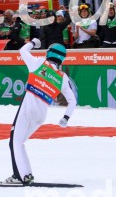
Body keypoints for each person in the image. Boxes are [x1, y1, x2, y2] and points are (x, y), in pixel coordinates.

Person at [6, 39, 77, 185]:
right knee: (19, 143)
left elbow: (22, 51)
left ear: (48, 53)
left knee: (15, 142)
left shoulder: (38, 63)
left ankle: (20, 177)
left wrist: (34, 42)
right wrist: (65, 118)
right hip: (41, 115)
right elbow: (73, 101)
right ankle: (26, 174)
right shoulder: (63, 78)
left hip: (27, 108)